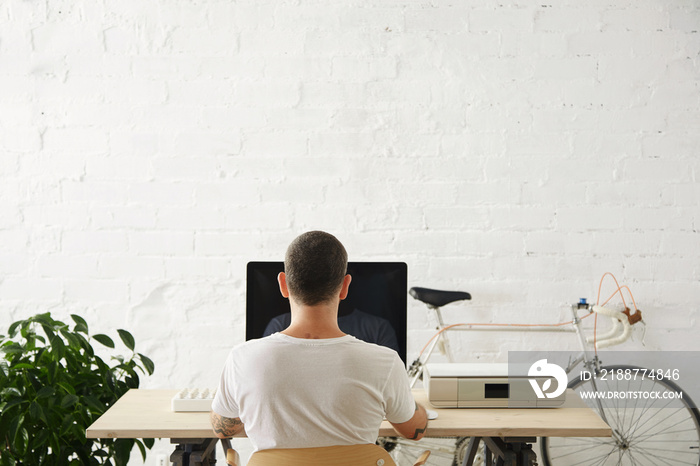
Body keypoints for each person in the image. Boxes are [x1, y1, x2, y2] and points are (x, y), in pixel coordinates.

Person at [210, 230, 428, 452]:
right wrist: (408, 404)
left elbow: (222, 429)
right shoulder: (386, 362)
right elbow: (413, 431)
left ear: (283, 284)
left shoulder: (242, 358)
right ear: (345, 287)